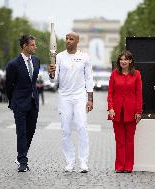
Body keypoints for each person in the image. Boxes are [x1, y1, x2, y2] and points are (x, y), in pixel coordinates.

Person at [48, 32, 94, 173]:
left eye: (71, 39)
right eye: (66, 39)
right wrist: (51, 73)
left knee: (82, 128)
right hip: (64, 97)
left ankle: (83, 162)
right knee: (66, 130)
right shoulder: (59, 57)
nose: (68, 41)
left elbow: (89, 78)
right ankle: (69, 162)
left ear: (77, 41)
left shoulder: (85, 57)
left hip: (79, 97)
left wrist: (90, 99)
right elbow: (53, 80)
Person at [6, 34, 40, 172]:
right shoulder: (13, 64)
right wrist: (12, 101)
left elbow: (34, 82)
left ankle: (21, 155)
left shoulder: (37, 61)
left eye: (35, 44)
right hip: (19, 103)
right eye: (32, 45)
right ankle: (23, 162)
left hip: (33, 102)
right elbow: (8, 85)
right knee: (21, 132)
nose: (35, 47)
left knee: (31, 130)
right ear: (24, 46)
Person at [107, 50, 142, 173]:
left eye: (126, 59)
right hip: (116, 112)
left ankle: (128, 166)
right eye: (121, 59)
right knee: (119, 140)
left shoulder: (137, 74)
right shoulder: (114, 74)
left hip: (131, 111)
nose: (123, 61)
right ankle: (119, 165)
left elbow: (139, 94)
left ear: (130, 61)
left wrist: (139, 111)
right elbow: (110, 93)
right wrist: (110, 108)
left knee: (129, 140)